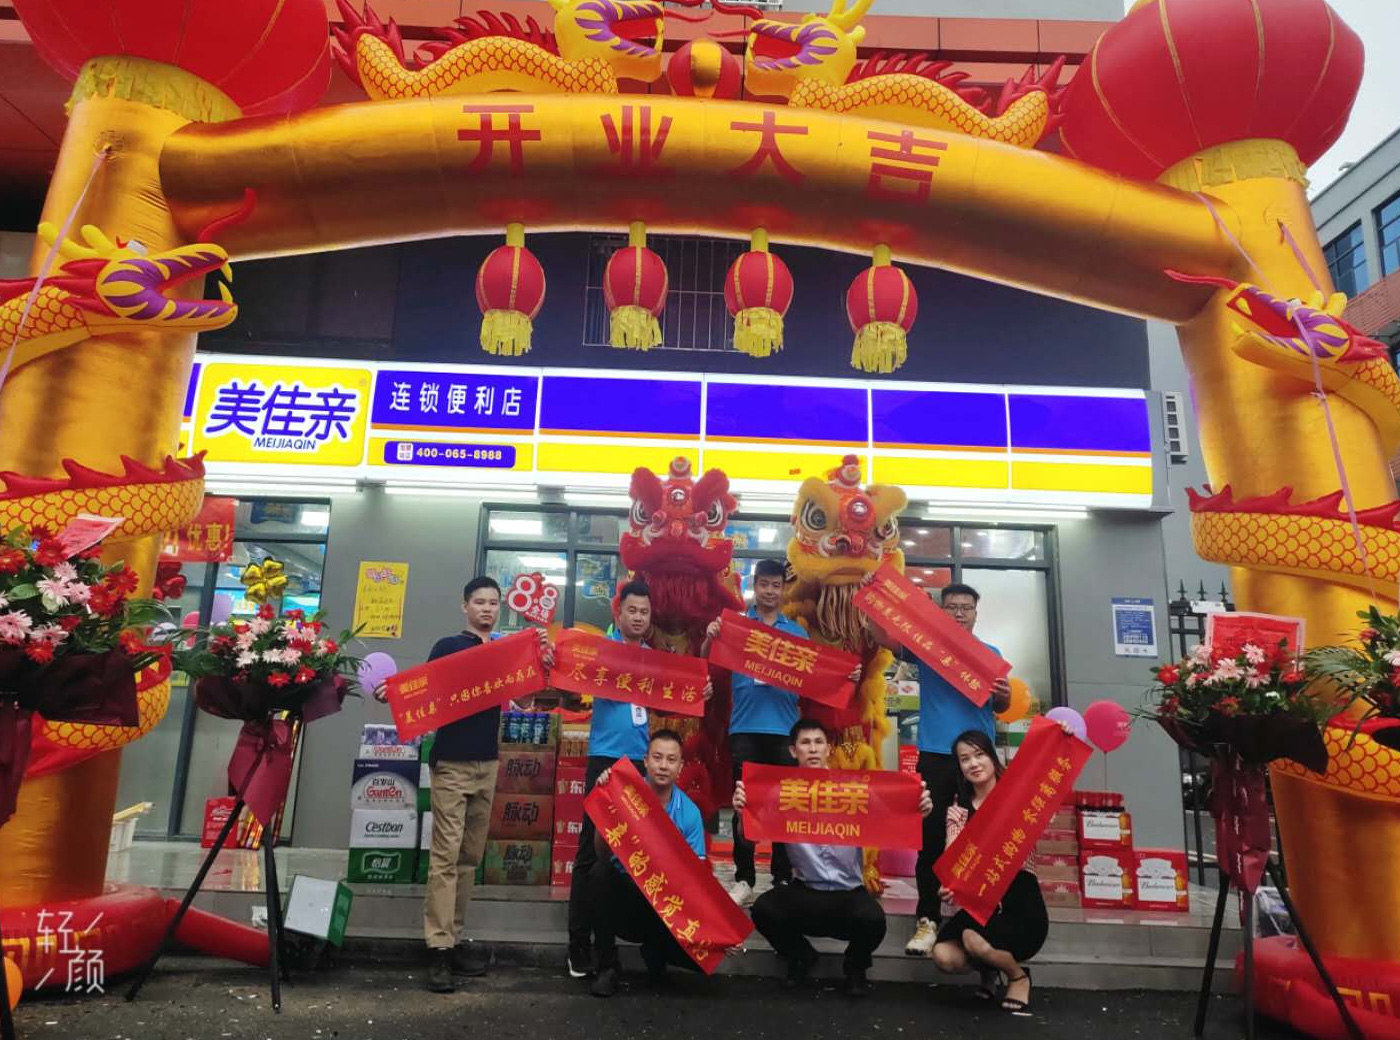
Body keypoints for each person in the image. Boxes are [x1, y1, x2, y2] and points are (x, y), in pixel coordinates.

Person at [374, 576, 553, 994]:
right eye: (479, 602)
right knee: (445, 855)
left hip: (487, 763)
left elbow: (526, 701)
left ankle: (452, 940)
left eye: (493, 602)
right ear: (465, 606)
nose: (487, 609)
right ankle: (437, 948)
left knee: (470, 857)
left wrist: (537, 659)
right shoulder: (448, 647)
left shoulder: (505, 651)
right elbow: (419, 691)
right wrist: (393, 694)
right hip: (452, 763)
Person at [567, 579, 712, 978]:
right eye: (632, 610)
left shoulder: (652, 659)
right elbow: (569, 672)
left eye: (644, 612)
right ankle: (578, 945)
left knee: (635, 848)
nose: (638, 618)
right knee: (591, 853)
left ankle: (643, 933)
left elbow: (669, 700)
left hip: (639, 764)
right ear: (618, 614)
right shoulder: (600, 651)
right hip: (606, 761)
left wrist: (697, 691)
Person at [702, 559, 858, 907]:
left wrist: (846, 677)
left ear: (784, 589)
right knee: (746, 806)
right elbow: (707, 660)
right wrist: (711, 637)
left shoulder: (797, 634)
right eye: (764, 585)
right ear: (754, 586)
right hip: (745, 729)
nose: (770, 591)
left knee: (787, 806)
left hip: (785, 733)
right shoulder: (738, 626)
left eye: (776, 585)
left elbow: (819, 676)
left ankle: (783, 877)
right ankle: (744, 879)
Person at [739, 718, 933, 997]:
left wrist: (917, 810)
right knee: (763, 909)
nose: (813, 749)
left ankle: (855, 967)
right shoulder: (782, 794)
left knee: (874, 920)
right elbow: (750, 835)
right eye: (805, 743)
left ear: (829, 749)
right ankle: (800, 956)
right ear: (793, 751)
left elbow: (891, 819)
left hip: (848, 893)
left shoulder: (853, 790)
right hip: (805, 891)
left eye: (819, 742)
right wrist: (742, 812)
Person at [870, 582, 1011, 957]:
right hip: (935, 756)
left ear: (976, 613)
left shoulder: (991, 655)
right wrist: (873, 597)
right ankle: (928, 919)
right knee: (931, 840)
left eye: (966, 607)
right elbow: (883, 637)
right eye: (951, 607)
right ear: (940, 612)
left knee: (982, 840)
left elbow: (1000, 705)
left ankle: (979, 917)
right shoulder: (926, 649)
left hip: (978, 760)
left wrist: (1004, 696)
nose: (959, 613)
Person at [932, 728, 1052, 1016]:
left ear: (992, 756)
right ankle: (989, 971)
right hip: (980, 906)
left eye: (979, 755)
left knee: (973, 939)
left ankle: (1018, 978)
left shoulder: (1019, 796)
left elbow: (1051, 770)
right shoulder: (959, 811)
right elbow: (953, 860)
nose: (973, 763)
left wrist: (1063, 735)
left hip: (1020, 903)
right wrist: (949, 885)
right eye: (965, 759)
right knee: (944, 955)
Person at [588, 729, 708, 998]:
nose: (663, 766)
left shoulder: (689, 813)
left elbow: (697, 878)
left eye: (671, 760)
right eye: (657, 757)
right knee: (599, 873)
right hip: (628, 898)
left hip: (666, 905)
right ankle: (607, 967)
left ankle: (656, 955)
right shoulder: (624, 794)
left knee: (704, 961)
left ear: (681, 766)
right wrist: (605, 807)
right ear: (645, 760)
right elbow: (601, 854)